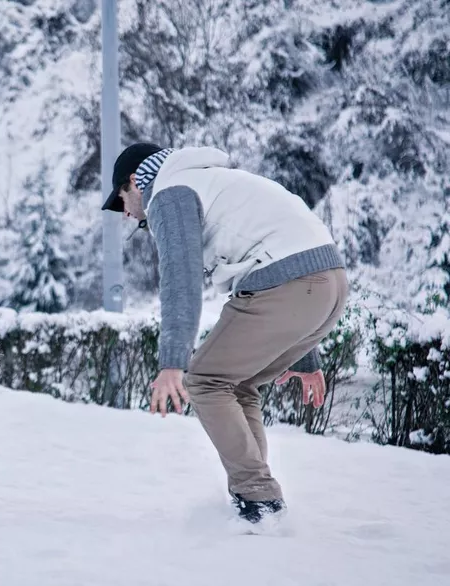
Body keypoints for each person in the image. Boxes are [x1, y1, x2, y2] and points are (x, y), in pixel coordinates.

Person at [102, 143, 348, 524]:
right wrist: (306, 355)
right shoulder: (215, 181)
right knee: (236, 383)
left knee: (205, 380)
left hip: (290, 284)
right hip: (330, 282)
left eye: (122, 203)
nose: (129, 215)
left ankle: (258, 499)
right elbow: (288, 243)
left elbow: (180, 280)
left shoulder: (169, 193)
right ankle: (251, 497)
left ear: (135, 181)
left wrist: (172, 363)